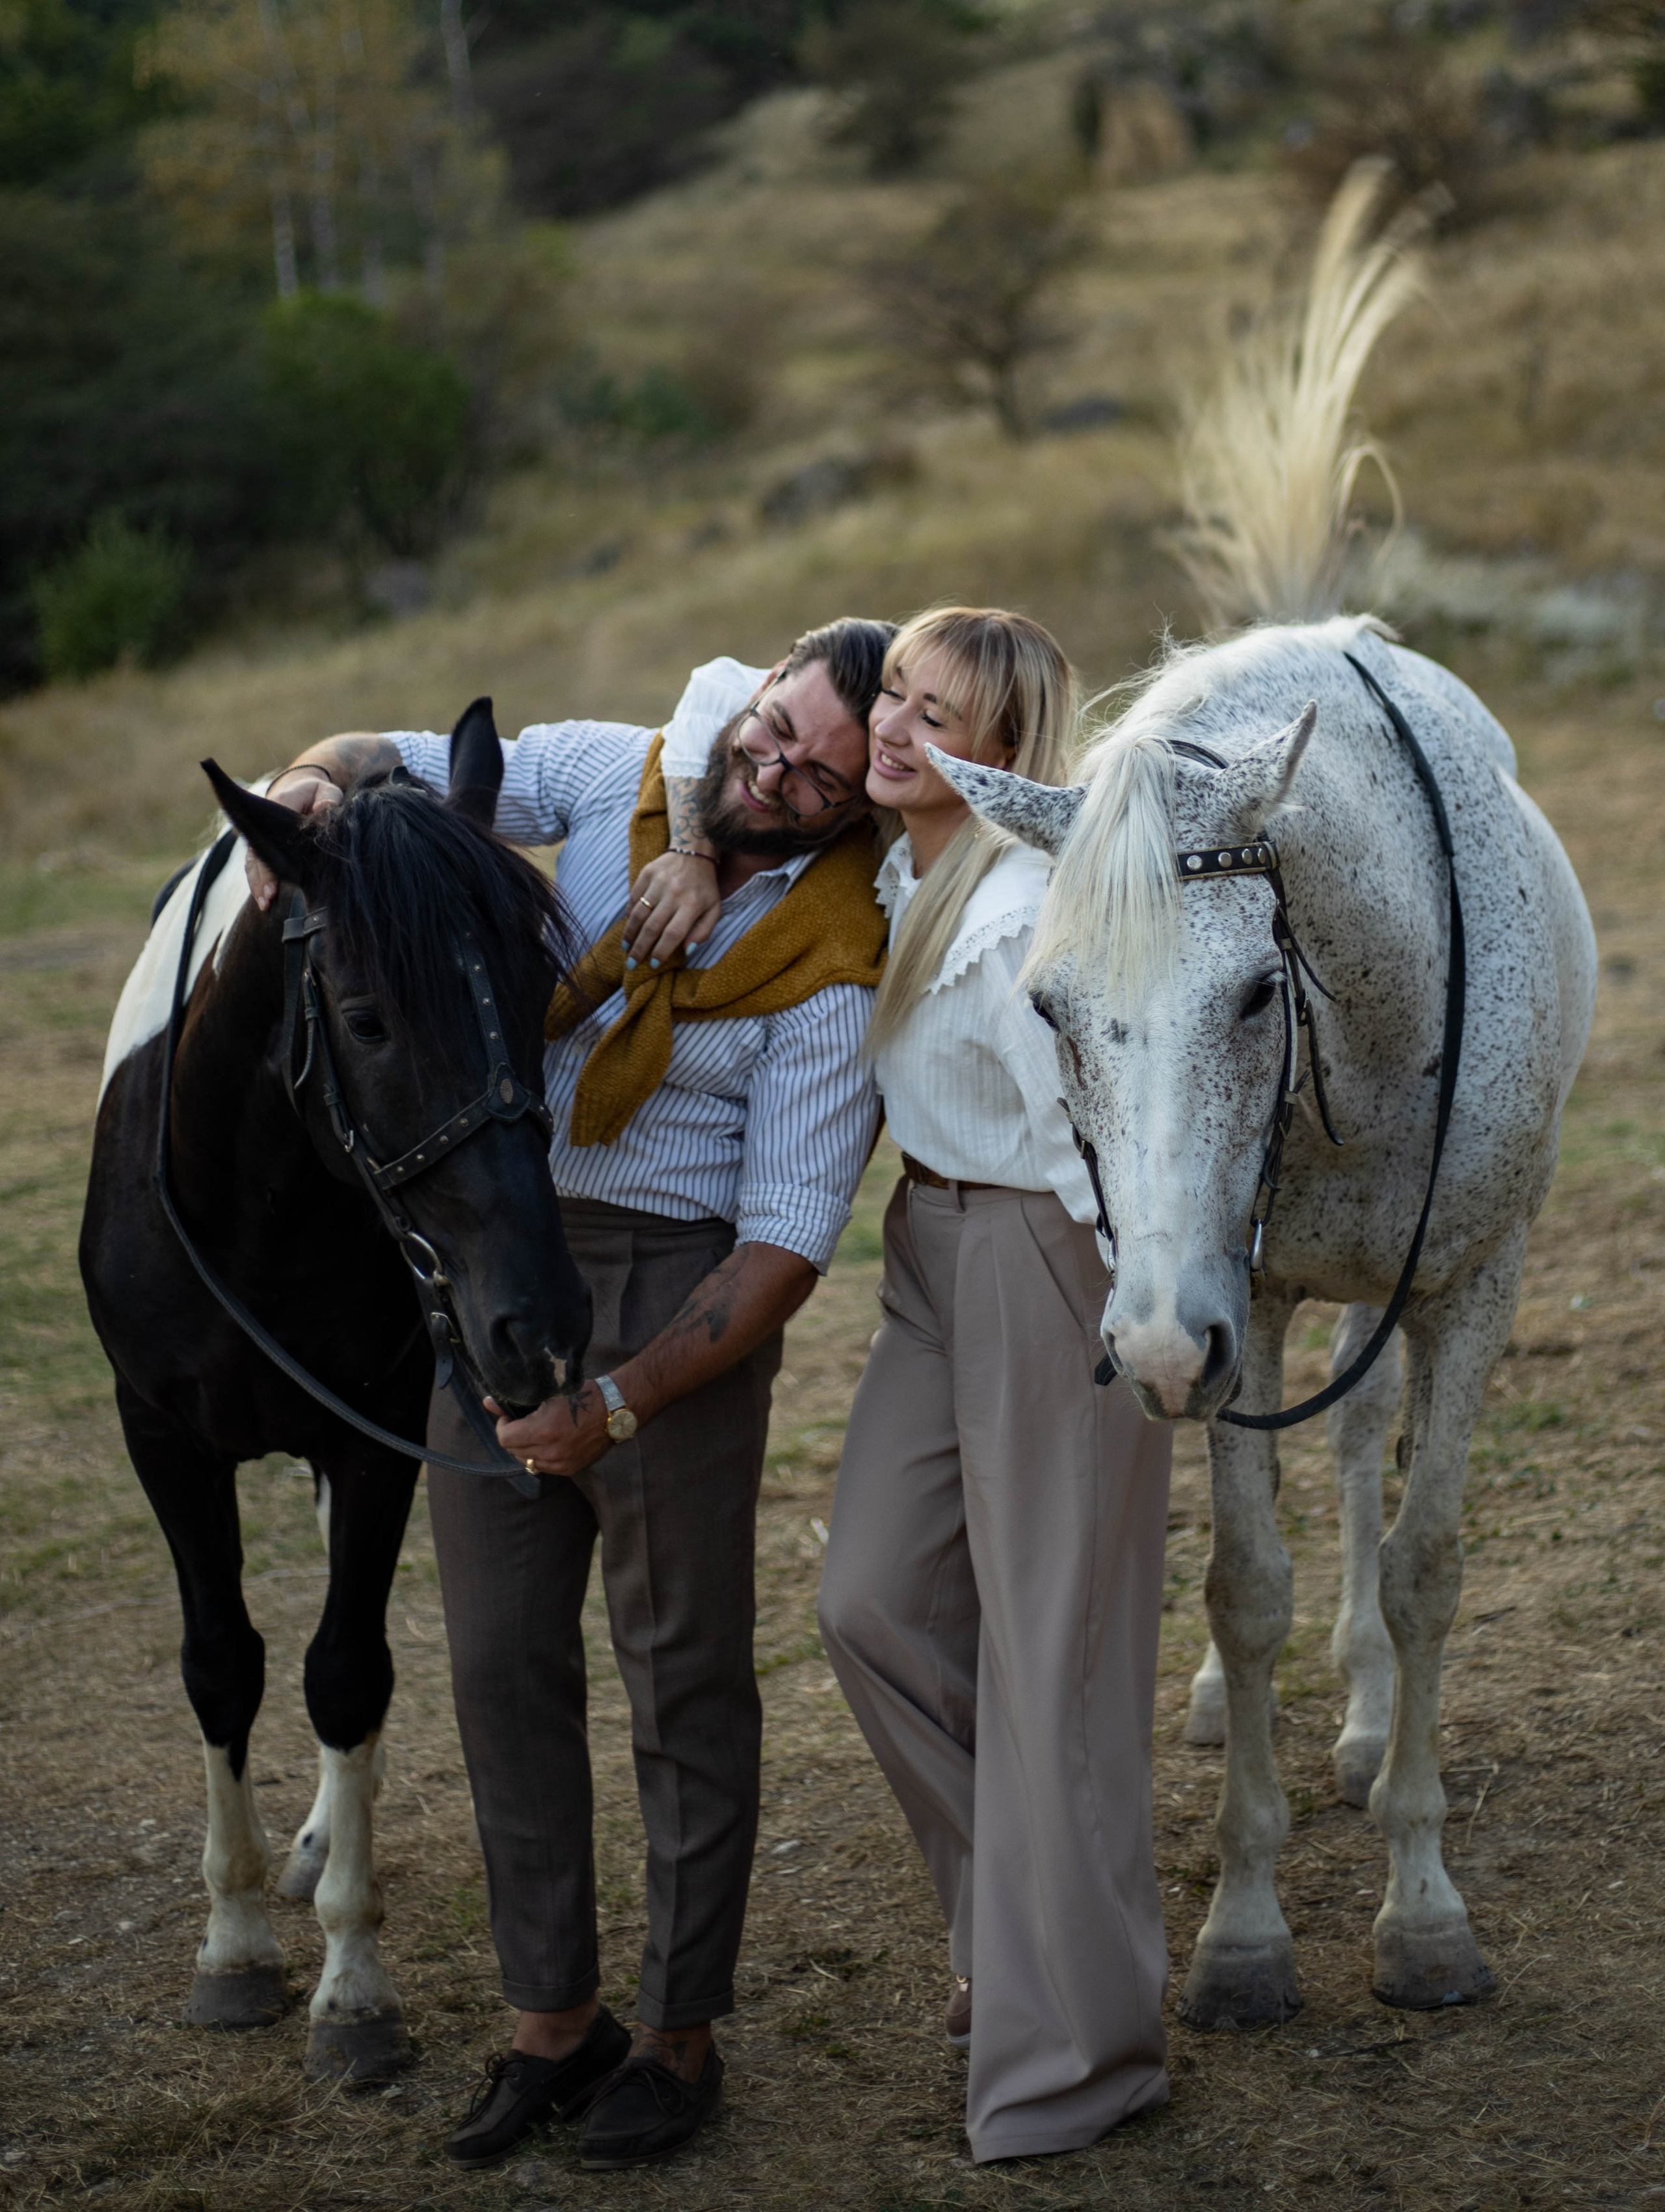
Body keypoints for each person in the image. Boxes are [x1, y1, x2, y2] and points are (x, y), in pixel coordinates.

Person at [252, 617, 895, 2172]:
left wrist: (620, 1403)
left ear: (860, 801)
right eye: (773, 728)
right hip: (501, 1251)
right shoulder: (623, 774)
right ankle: (553, 2019)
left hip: (677, 1295)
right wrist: (308, 777)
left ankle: (677, 2034)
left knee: (679, 1676)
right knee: (495, 1663)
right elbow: (400, 757)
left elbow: (784, 1243)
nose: (777, 770)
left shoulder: (835, 959)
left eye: (818, 773)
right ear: (755, 693)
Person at [639, 606, 1174, 2165]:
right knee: (867, 1601)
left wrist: (1130, 1324)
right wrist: (681, 846)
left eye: (938, 718)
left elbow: (1112, 1132)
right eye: (892, 693)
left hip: (1050, 1265)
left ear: (1001, 766)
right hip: (930, 1255)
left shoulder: (1017, 918)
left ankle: (1080, 2058)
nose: (888, 728)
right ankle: (1016, 1931)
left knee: (1053, 1667)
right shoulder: (886, 863)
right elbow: (700, 699)